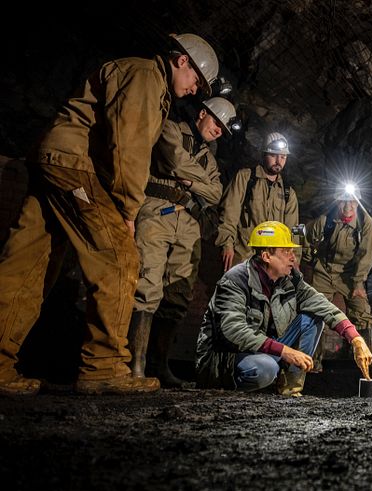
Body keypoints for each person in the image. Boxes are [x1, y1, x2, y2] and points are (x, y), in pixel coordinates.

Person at [0, 33, 219, 396]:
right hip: (76, 167)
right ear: (182, 60)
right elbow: (129, 146)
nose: (196, 89)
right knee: (119, 258)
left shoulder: (139, 74)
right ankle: (103, 367)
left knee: (27, 266)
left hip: (55, 158)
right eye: (197, 79)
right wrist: (127, 210)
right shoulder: (148, 75)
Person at [128, 97, 236, 388]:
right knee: (146, 283)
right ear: (202, 114)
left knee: (178, 294)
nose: (218, 131)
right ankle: (134, 365)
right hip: (156, 211)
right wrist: (197, 181)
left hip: (189, 221)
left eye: (223, 130)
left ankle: (159, 365)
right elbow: (172, 159)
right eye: (216, 123)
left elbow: (215, 193)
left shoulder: (210, 160)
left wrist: (189, 180)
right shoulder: (171, 129)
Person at [195, 221, 372, 396]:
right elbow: (234, 331)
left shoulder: (288, 279)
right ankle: (233, 391)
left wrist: (355, 339)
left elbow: (321, 304)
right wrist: (285, 351)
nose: (293, 257)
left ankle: (290, 389)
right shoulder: (235, 281)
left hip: (264, 349)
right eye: (285, 251)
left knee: (312, 318)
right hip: (227, 360)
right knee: (266, 368)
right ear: (266, 256)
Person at [302, 186, 372, 373]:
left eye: (352, 201)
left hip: (350, 274)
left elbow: (366, 256)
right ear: (337, 202)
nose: (348, 206)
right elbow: (304, 237)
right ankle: (312, 361)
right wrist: (309, 262)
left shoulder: (366, 224)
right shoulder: (325, 220)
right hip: (324, 270)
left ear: (358, 202)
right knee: (315, 312)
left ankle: (366, 361)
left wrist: (358, 283)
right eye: (343, 201)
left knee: (362, 312)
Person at [215, 132, 299, 271]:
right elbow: (229, 214)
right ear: (263, 154)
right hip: (243, 255)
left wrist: (294, 258)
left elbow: (293, 229)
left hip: (272, 261)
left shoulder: (288, 192)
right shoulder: (246, 178)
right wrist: (227, 245)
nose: (279, 161)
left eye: (283, 157)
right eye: (273, 155)